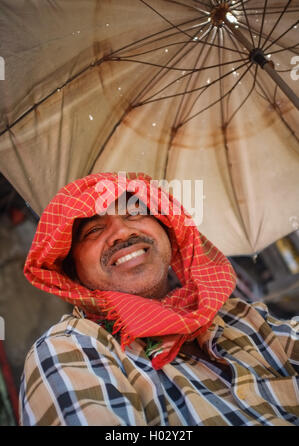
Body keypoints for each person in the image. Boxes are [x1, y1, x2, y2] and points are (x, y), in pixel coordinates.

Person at [19, 172, 299, 426]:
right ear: (72, 270)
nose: (122, 232)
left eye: (135, 213)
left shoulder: (236, 316)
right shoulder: (69, 348)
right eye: (93, 230)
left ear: (168, 229)